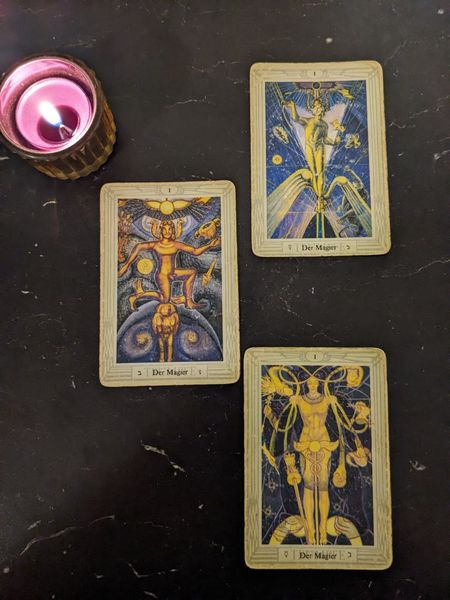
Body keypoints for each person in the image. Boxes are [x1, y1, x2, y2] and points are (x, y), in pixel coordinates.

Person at [118, 220, 219, 309]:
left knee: (192, 272)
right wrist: (127, 265)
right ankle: (137, 296)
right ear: (161, 231)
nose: (167, 232)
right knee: (165, 299)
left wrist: (209, 245)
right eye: (165, 229)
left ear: (173, 231)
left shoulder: (176, 244)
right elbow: (139, 246)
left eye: (170, 229)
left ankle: (189, 302)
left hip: (173, 272)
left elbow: (195, 251)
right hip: (162, 276)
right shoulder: (156, 244)